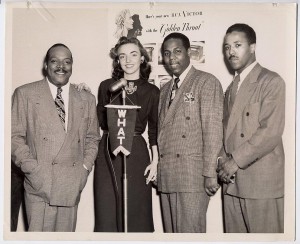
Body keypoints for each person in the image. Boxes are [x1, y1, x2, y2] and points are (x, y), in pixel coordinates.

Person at [11, 43, 100, 232]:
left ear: (72, 66)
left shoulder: (86, 98)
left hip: (70, 184)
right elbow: (14, 136)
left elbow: (93, 138)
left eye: (66, 61)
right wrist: (32, 169)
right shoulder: (25, 93)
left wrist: (84, 169)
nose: (61, 66)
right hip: (39, 185)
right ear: (46, 65)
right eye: (55, 61)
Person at [217, 23, 285, 233]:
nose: (231, 52)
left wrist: (234, 162)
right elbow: (225, 131)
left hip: (260, 183)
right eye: (227, 47)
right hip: (231, 183)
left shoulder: (271, 81)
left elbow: (270, 133)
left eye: (237, 45)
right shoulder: (230, 88)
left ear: (253, 47)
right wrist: (221, 161)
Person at [157, 32, 223, 233]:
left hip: (192, 176)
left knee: (190, 234)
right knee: (171, 235)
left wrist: (210, 173)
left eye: (177, 51)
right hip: (168, 175)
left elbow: (213, 130)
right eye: (167, 53)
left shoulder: (206, 81)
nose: (172, 58)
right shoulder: (165, 89)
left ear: (189, 52)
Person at [94, 36, 160, 232]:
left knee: (136, 210)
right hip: (108, 152)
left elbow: (154, 130)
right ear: (118, 61)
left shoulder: (152, 91)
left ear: (142, 58)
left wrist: (155, 161)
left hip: (137, 152)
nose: (128, 60)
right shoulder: (106, 86)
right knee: (107, 209)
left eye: (133, 54)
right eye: (122, 56)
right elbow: (99, 119)